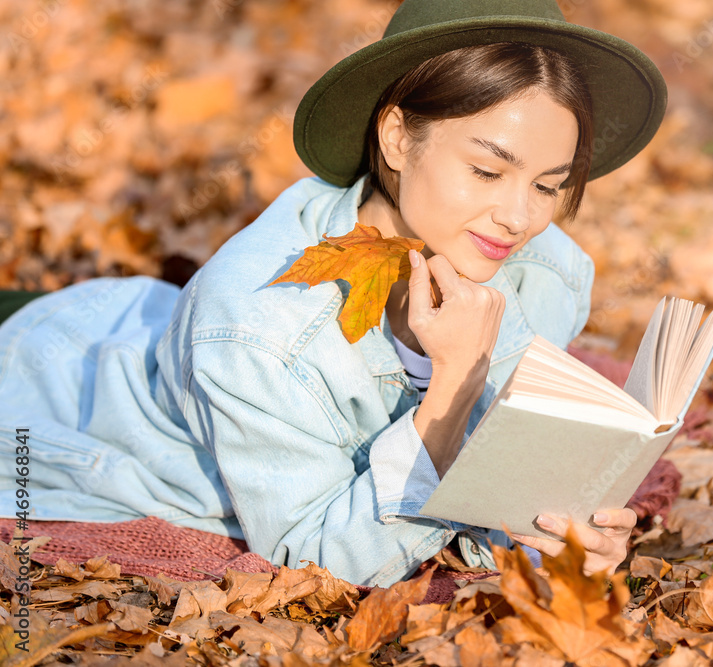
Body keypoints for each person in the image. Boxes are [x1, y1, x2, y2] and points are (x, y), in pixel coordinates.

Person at [0, 0, 667, 586]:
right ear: (398, 136)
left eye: (549, 185)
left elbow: (492, 491)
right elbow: (318, 557)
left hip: (148, 318)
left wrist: (558, 539)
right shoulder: (256, 330)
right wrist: (456, 382)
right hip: (59, 384)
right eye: (487, 170)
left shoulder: (542, 270)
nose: (519, 217)